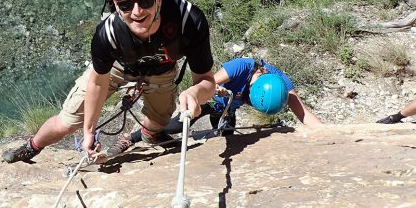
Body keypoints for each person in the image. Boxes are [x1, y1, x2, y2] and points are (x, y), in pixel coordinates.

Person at [1, 0, 216, 163]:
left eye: (146, 0)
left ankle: (143, 135)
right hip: (118, 66)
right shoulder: (108, 33)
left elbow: (206, 81)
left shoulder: (188, 20)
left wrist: (195, 92)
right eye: (125, 5)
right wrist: (88, 131)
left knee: (159, 120)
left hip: (162, 69)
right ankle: (32, 146)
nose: (137, 11)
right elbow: (98, 81)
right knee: (66, 123)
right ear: (115, 5)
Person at [102, 57, 323, 158]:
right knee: (174, 126)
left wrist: (327, 135)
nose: (245, 97)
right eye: (246, 94)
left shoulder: (283, 87)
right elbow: (206, 84)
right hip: (211, 100)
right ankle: (131, 138)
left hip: (227, 109)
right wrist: (212, 92)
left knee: (226, 137)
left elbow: (303, 113)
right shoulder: (242, 67)